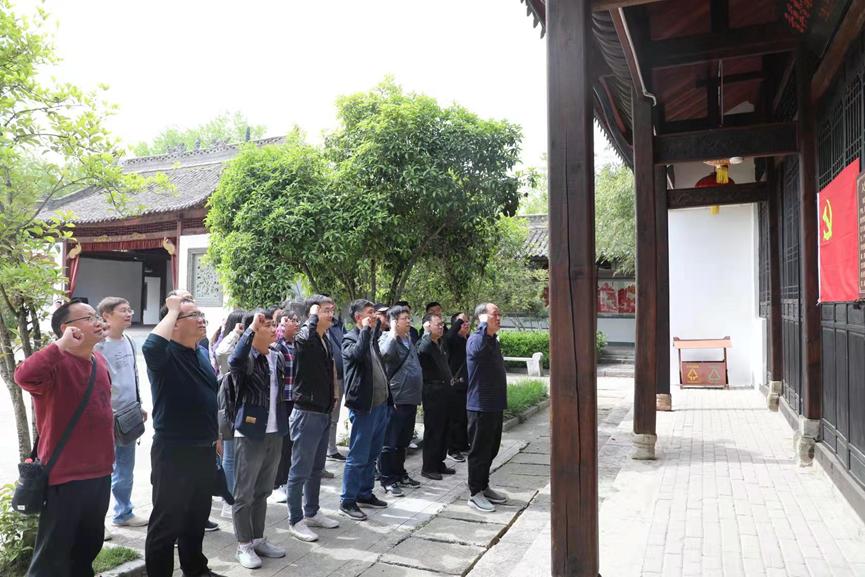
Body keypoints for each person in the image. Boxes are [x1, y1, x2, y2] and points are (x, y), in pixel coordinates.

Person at [16, 299, 114, 577]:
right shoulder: (55, 363)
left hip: (100, 472)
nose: (97, 321)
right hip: (65, 476)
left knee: (87, 548)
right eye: (88, 317)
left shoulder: (99, 360)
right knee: (52, 557)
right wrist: (59, 346)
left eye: (96, 316)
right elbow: (23, 376)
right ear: (67, 328)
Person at [143, 295, 224, 577]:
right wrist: (174, 308)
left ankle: (196, 569)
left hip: (203, 448)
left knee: (196, 516)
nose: (202, 320)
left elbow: (209, 397)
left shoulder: (200, 352)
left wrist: (216, 435)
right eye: (193, 315)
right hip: (174, 452)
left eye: (202, 314)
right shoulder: (164, 356)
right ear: (174, 324)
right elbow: (150, 346)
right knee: (166, 524)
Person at [229, 310, 289, 569]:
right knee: (244, 493)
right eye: (267, 326)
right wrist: (251, 329)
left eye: (274, 325)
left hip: (275, 432)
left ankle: (257, 538)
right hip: (251, 433)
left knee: (263, 490)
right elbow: (234, 360)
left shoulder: (276, 356)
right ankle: (243, 545)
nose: (274, 329)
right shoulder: (247, 358)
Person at [286, 296, 341, 542]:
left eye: (332, 310)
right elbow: (305, 339)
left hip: (323, 410)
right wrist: (313, 315)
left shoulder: (324, 339)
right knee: (300, 470)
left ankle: (312, 511)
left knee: (316, 468)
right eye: (326, 310)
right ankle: (295, 519)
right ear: (314, 313)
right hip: (306, 412)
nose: (331, 314)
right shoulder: (304, 337)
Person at [95, 297, 149, 535]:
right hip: (105, 417)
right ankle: (97, 522)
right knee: (102, 472)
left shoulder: (128, 340)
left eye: (130, 310)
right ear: (106, 316)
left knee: (125, 470)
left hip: (128, 415)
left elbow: (133, 375)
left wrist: (139, 404)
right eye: (123, 311)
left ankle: (123, 513)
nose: (129, 314)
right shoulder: (98, 345)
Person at [338, 299, 390, 520]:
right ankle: (347, 500)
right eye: (370, 313)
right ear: (358, 317)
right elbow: (358, 355)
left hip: (380, 404)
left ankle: (364, 493)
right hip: (364, 407)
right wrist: (367, 330)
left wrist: (373, 327)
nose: (374, 316)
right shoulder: (350, 339)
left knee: (372, 454)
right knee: (358, 455)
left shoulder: (371, 338)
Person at [465, 303, 509, 513]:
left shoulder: (492, 340)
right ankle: (475, 494)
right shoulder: (476, 339)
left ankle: (484, 486)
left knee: (491, 449)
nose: (498, 318)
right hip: (480, 406)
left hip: (494, 405)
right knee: (479, 452)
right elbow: (478, 351)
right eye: (494, 314)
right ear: (482, 317)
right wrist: (483, 326)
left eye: (500, 314)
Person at [377, 305, 423, 496]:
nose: (409, 321)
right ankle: (387, 479)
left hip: (410, 398)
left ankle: (399, 473)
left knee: (403, 441)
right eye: (404, 318)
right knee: (390, 442)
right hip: (396, 397)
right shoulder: (387, 338)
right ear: (394, 321)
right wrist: (393, 333)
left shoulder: (408, 338)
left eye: (409, 318)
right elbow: (384, 355)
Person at [417, 313, 455, 480]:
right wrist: (426, 333)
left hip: (445, 390)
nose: (441, 327)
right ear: (427, 325)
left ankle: (439, 462)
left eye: (442, 324)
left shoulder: (439, 343)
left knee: (444, 429)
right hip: (432, 391)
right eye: (437, 324)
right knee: (434, 430)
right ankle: (429, 467)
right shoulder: (425, 343)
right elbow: (422, 350)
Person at [272, 309, 300, 503]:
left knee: (291, 443)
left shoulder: (297, 344)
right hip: (281, 401)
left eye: (297, 320)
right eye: (292, 320)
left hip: (295, 399)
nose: (296, 324)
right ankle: (277, 483)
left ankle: (288, 481)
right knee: (281, 443)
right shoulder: (276, 346)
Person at [445, 313, 470, 462]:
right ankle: (452, 449)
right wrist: (459, 320)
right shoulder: (452, 340)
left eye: (467, 321)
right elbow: (448, 336)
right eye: (462, 322)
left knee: (464, 418)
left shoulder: (469, 339)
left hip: (468, 385)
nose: (466, 324)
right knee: (455, 419)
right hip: (456, 384)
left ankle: (463, 445)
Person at [326, 312, 346, 462]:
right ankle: (328, 449)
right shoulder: (316, 329)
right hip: (328, 379)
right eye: (326, 309)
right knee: (328, 417)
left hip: (341, 377)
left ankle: (331, 448)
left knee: (334, 417)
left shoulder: (339, 326)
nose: (330, 312)